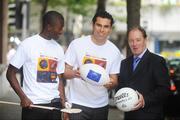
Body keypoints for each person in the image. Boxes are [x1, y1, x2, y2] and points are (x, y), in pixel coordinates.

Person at [6, 11, 67, 120]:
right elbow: (10, 74)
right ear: (49, 27)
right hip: (33, 105)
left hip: (55, 105)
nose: (62, 31)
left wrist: (63, 101)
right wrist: (23, 97)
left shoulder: (58, 49)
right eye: (60, 28)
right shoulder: (28, 44)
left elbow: (60, 78)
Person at [63, 10, 124, 120]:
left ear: (110, 29)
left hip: (100, 105)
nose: (101, 30)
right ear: (92, 25)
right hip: (77, 103)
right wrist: (76, 73)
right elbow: (64, 72)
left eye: (106, 26)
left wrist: (109, 83)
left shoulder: (114, 51)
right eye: (98, 25)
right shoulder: (77, 44)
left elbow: (114, 80)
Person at [116, 26, 170, 120]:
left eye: (138, 40)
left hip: (150, 115)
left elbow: (164, 89)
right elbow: (121, 87)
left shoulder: (157, 61)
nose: (134, 44)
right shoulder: (124, 63)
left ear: (145, 40)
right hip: (129, 116)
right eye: (131, 40)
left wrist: (144, 99)